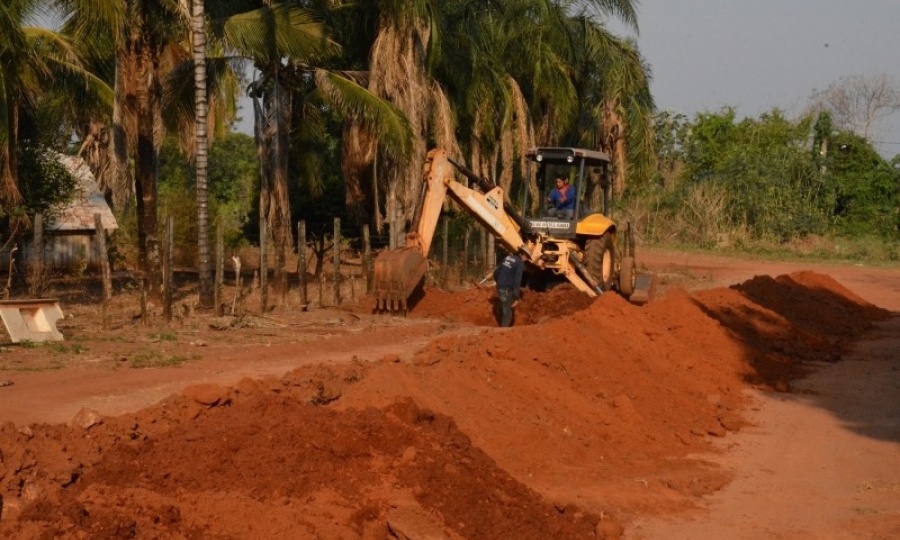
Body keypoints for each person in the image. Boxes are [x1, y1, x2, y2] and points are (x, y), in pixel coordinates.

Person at [493, 251, 524, 327]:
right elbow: (517, 281)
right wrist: (517, 297)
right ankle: (503, 333)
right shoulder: (519, 263)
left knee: (505, 306)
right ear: (522, 254)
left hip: (499, 288)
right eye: (526, 257)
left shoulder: (507, 258)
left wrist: (499, 282)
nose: (525, 259)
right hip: (506, 290)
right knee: (508, 314)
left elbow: (496, 272)